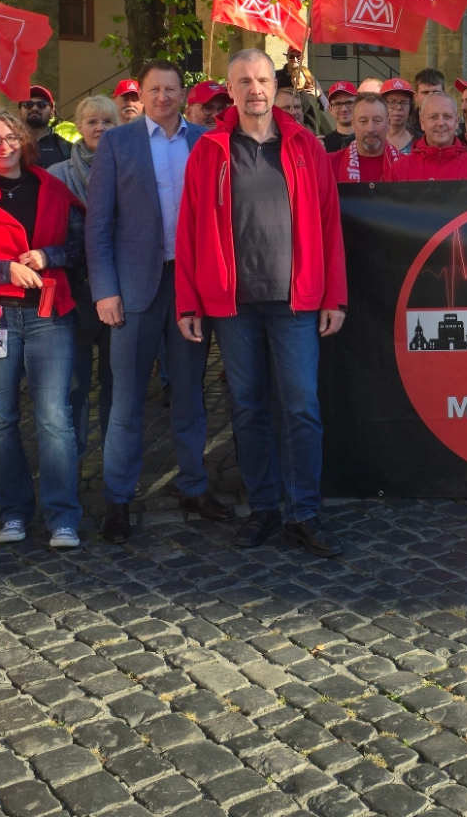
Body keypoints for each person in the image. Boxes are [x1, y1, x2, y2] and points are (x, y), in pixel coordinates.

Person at [176, 49, 348, 555]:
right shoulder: (209, 151)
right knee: (248, 409)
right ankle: (265, 508)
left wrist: (333, 295)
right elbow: (187, 231)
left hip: (296, 300)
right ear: (229, 90)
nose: (255, 89)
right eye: (244, 81)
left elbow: (330, 224)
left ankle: (305, 512)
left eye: (263, 80)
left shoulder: (304, 146)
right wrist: (189, 302)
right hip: (233, 305)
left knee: (301, 408)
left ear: (276, 87)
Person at [85, 60, 232, 541]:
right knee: (126, 400)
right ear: (141, 95)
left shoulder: (203, 142)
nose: (163, 97)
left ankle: (193, 484)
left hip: (190, 285)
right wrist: (105, 289)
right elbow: (98, 224)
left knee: (190, 393)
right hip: (133, 289)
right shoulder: (117, 142)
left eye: (171, 89)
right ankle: (118, 498)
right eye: (155, 89)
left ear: (182, 93)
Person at [0, 109, 85, 547]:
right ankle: (13, 511)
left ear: (23, 141)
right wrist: (2, 269)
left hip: (49, 313)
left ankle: (63, 516)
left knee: (54, 417)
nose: (2, 147)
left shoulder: (51, 187)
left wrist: (47, 256)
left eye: (9, 138)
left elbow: (78, 245)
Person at [54, 95, 118, 456]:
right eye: (92, 121)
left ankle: (114, 454)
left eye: (107, 122)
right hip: (75, 293)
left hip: (118, 292)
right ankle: (74, 456)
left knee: (115, 383)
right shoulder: (58, 175)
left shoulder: (129, 171)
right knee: (75, 385)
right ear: (78, 127)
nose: (99, 128)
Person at [392, 94, 467, 180]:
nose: (441, 123)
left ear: (456, 122)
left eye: (447, 116)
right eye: (433, 117)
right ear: (422, 123)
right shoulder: (400, 169)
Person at [334, 93, 397, 183]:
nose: (370, 129)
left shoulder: (407, 166)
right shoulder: (330, 164)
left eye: (377, 120)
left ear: (388, 124)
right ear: (353, 124)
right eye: (363, 121)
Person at [20, 85, 72, 168]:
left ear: (52, 113)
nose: (34, 108)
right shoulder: (9, 147)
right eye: (28, 104)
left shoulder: (68, 149)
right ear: (19, 112)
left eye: (42, 104)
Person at [382, 78, 418, 154]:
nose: (398, 107)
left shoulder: (421, 141)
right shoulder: (371, 138)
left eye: (404, 102)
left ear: (410, 106)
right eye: (392, 102)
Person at [323, 81, 358, 152]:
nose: (344, 109)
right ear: (330, 109)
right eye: (338, 104)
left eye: (349, 103)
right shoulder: (324, 145)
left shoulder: (368, 139)